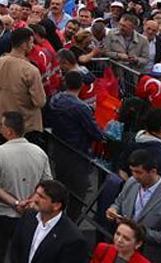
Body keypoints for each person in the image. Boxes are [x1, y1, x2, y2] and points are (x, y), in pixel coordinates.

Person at [0, 111, 52, 263]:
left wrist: (16, 203)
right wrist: (30, 202)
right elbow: (47, 184)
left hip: (1, 214)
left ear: (9, 130)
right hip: (31, 214)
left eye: (1, 125)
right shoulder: (39, 152)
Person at [108, 150, 161, 263]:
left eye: (139, 172)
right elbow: (119, 202)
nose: (134, 176)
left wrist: (139, 231)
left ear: (153, 171)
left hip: (150, 257)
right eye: (132, 171)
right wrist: (113, 209)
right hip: (123, 255)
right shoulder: (131, 182)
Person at [46, 70, 103, 220]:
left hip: (59, 150)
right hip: (78, 153)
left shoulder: (55, 99)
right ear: (82, 86)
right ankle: (71, 223)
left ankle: (57, 219)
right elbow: (95, 133)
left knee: (61, 189)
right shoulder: (81, 108)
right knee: (77, 194)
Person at [10, 180, 89, 263]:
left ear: (56, 205)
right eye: (36, 193)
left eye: (41, 197)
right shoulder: (29, 216)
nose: (35, 199)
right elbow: (16, 250)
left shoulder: (73, 239)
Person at [0, 28, 46, 137]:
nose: (32, 46)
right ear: (24, 45)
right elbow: (39, 101)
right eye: (31, 42)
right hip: (25, 127)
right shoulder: (30, 70)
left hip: (1, 125)